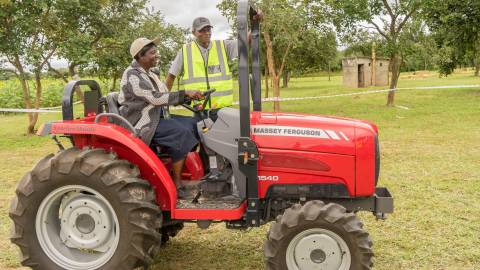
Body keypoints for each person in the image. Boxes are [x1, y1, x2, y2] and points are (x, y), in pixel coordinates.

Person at [119, 37, 203, 198]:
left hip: (157, 116)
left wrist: (188, 97)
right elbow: (155, 98)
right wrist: (184, 93)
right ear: (140, 56)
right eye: (152, 53)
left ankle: (198, 171)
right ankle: (177, 183)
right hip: (142, 122)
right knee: (180, 133)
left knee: (195, 123)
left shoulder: (151, 74)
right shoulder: (132, 75)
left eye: (155, 52)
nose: (156, 55)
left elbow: (164, 94)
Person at [166, 14, 262, 121]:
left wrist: (254, 23)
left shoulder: (222, 46)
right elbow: (171, 76)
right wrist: (165, 100)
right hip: (200, 111)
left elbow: (245, 42)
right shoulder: (185, 51)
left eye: (208, 29)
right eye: (202, 30)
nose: (207, 33)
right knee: (200, 137)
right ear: (193, 32)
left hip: (223, 110)